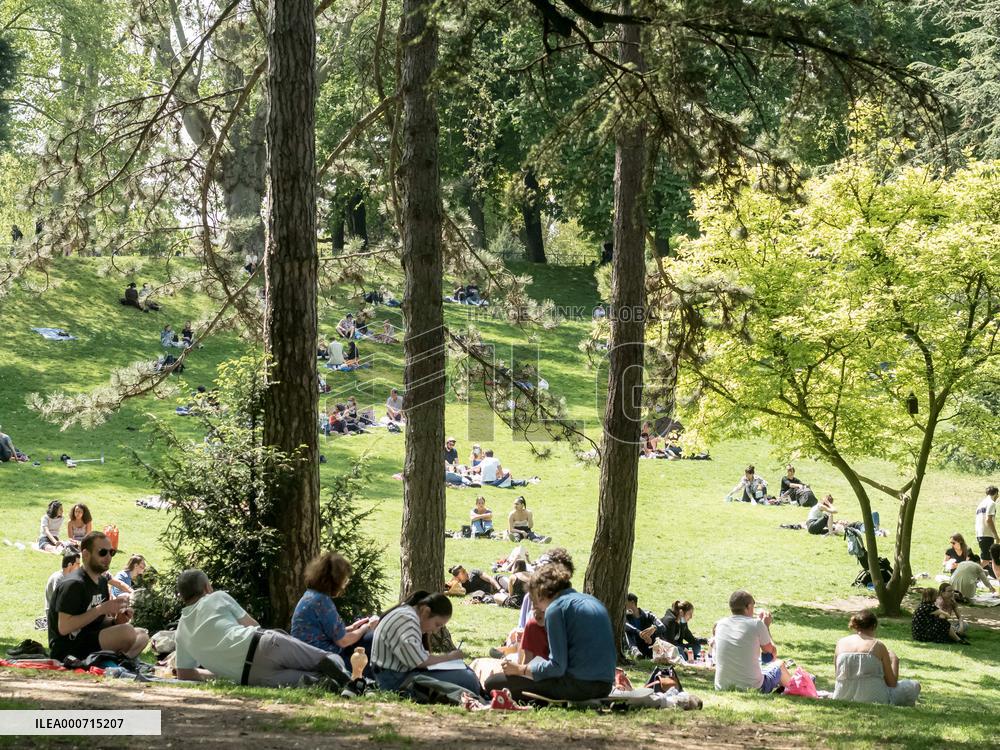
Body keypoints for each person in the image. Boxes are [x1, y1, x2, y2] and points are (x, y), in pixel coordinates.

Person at [174, 569, 356, 689]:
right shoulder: (216, 597)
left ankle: (324, 683)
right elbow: (253, 625)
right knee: (327, 659)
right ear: (207, 587)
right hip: (261, 645)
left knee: (317, 682)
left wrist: (218, 671)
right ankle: (355, 683)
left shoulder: (180, 631)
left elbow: (185, 673)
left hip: (249, 676)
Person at [483, 562, 615, 702]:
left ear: (541, 593)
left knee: (493, 682)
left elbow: (557, 667)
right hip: (605, 686)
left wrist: (520, 669)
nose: (536, 606)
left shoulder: (556, 609)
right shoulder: (594, 601)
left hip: (578, 686)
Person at [47, 531, 149, 662]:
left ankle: (122, 662)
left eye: (111, 552)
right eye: (102, 552)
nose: (108, 557)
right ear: (86, 554)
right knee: (128, 632)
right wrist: (101, 609)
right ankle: (115, 661)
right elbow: (64, 627)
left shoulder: (101, 582)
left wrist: (116, 621)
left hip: (91, 640)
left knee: (142, 635)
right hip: (68, 647)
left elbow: (99, 623)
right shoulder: (74, 584)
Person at [370, 591, 479, 695]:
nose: (436, 631)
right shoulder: (406, 619)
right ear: (426, 611)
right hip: (394, 681)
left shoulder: (407, 614)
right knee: (467, 679)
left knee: (465, 671)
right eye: (437, 624)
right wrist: (450, 657)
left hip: (398, 675)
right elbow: (418, 661)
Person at [291, 552, 378, 659]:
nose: (344, 584)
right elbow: (343, 641)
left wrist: (352, 628)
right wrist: (367, 627)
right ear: (335, 580)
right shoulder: (321, 601)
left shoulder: (311, 595)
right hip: (323, 660)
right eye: (344, 580)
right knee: (372, 639)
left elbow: (327, 633)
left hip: (308, 654)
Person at [833, 610, 920, 706]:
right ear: (873, 626)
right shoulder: (877, 645)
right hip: (875, 697)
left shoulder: (840, 643)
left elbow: (837, 674)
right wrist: (895, 660)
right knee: (914, 685)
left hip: (842, 695)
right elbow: (892, 683)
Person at [713, 590, 791, 693]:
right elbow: (772, 655)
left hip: (722, 686)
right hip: (753, 687)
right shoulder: (757, 624)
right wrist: (766, 627)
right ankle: (797, 689)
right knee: (779, 665)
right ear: (749, 606)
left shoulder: (721, 624)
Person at [624, 593, 665, 659]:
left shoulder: (647, 614)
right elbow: (625, 625)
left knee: (658, 632)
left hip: (647, 644)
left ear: (632, 602)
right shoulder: (625, 616)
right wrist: (639, 633)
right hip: (634, 643)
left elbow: (662, 626)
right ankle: (634, 651)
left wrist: (654, 628)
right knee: (627, 631)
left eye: (624, 602)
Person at [974, 486, 998, 561]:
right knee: (986, 560)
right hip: (987, 534)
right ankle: (973, 572)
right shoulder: (991, 503)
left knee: (988, 559)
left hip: (979, 534)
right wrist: (996, 536)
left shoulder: (980, 504)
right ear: (996, 493)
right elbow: (988, 520)